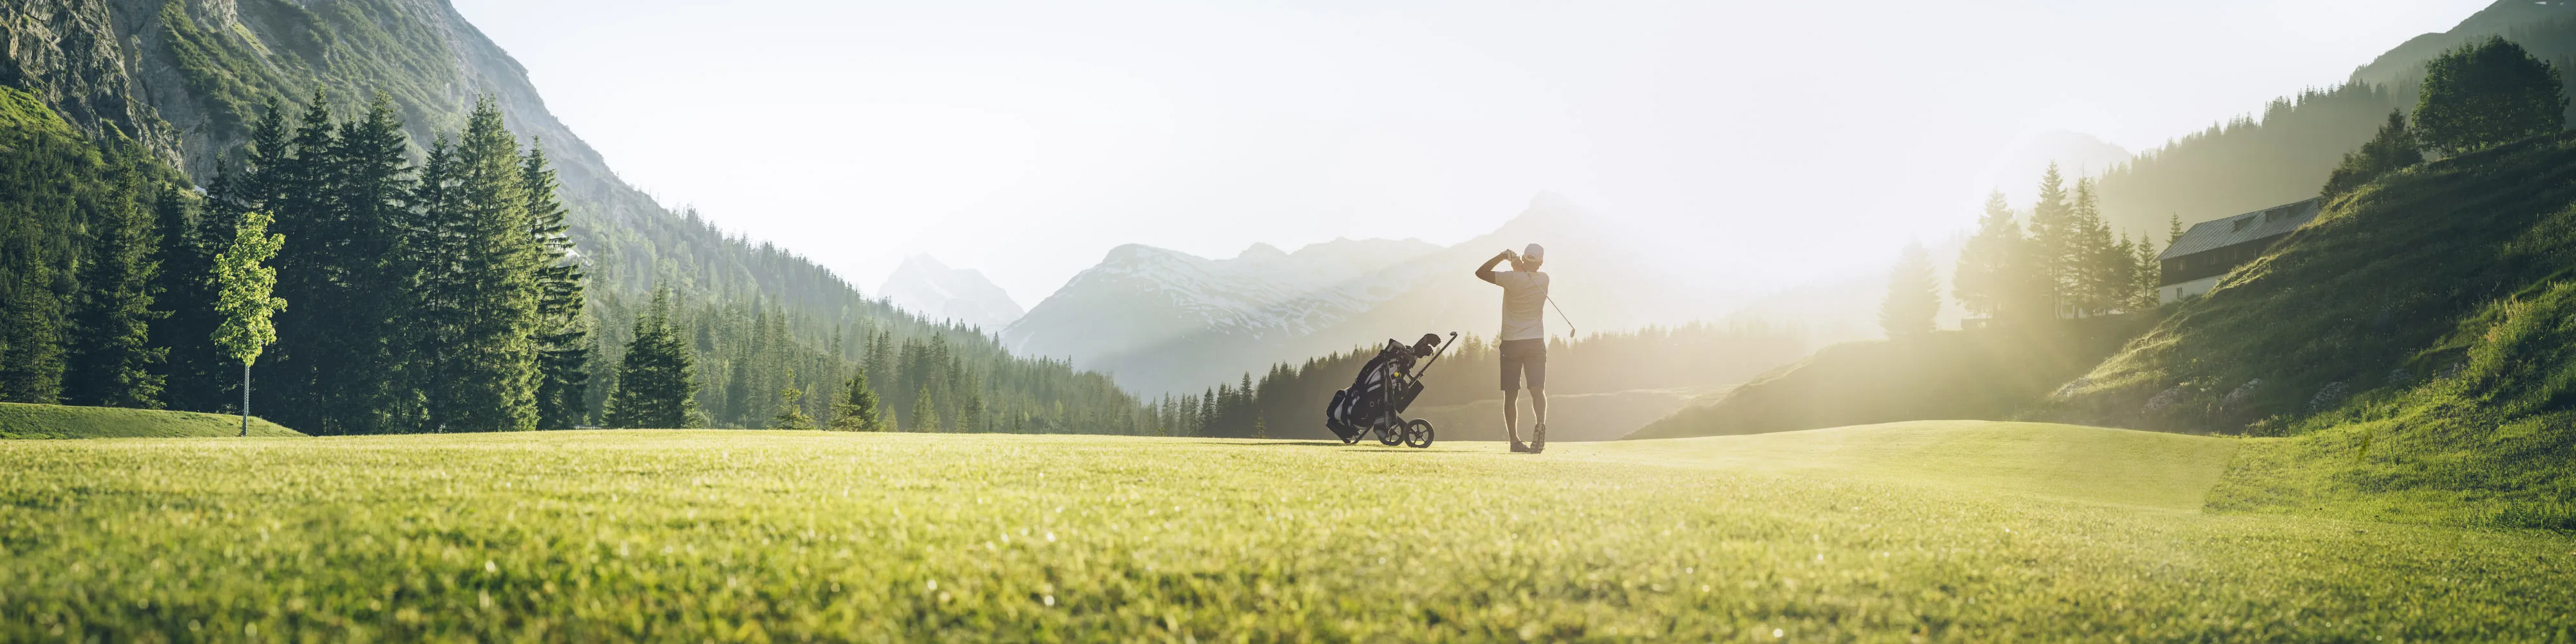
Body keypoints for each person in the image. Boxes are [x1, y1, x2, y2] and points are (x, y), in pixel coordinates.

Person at [1475, 243, 1549, 453]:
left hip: (1511, 343)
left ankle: (1515, 442)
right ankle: (1541, 425)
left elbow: (1481, 273)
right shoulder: (1544, 279)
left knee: (1511, 395)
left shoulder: (1511, 278)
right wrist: (1518, 265)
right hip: (1535, 341)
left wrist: (1503, 256)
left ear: (1525, 259)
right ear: (1541, 262)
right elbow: (1527, 276)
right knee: (1537, 389)